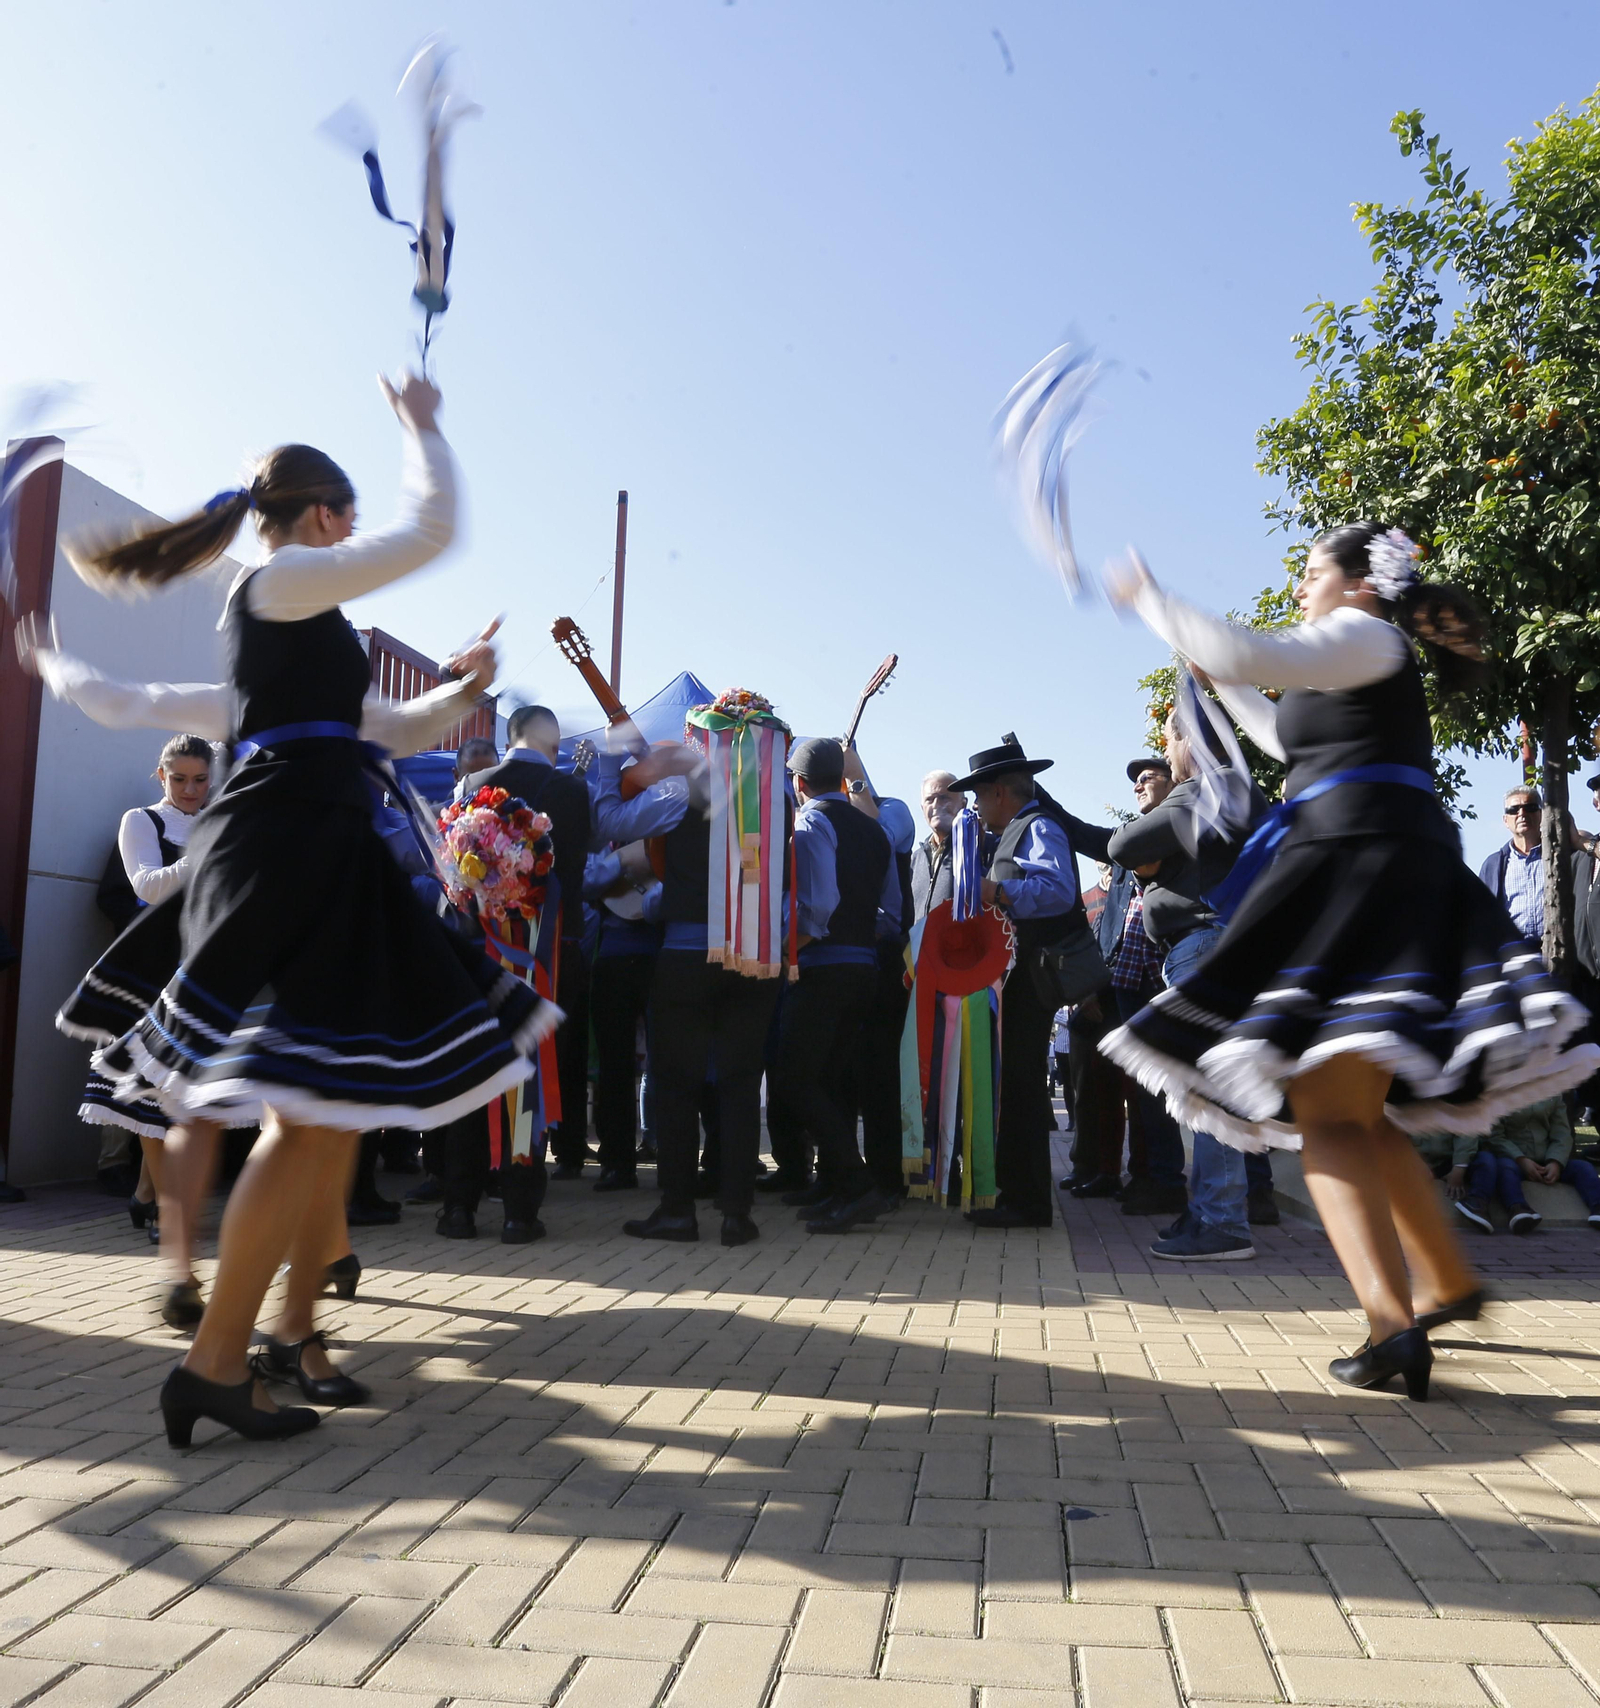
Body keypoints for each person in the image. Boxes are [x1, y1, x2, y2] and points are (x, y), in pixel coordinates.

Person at [51, 371, 555, 1445]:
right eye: (347, 522)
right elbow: (435, 528)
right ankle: (224, 1358)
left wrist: (465, 691)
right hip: (290, 850)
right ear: (323, 518)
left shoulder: (291, 623)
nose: (353, 539)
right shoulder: (284, 586)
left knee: (321, 1112)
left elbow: (391, 730)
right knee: (312, 1111)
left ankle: (256, 1346)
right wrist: (423, 425)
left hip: (305, 844)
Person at [1105, 522, 1598, 1401]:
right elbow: (1288, 737)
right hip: (1370, 862)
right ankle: (1444, 1283)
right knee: (1360, 1114)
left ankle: (1391, 1326)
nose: (1300, 585)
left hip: (1358, 872)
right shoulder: (1358, 653)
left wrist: (1152, 599)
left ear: (1359, 583)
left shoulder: (1366, 635)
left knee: (1328, 1116)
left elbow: (1246, 649)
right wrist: (1219, 685)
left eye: (1308, 571)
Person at [594, 690, 789, 1246]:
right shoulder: (777, 798)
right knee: (739, 1083)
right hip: (755, 954)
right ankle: (737, 1213)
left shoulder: (685, 788)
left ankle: (678, 1209)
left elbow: (613, 820)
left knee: (675, 1083)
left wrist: (612, 760)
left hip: (686, 951)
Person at [1107, 706, 1266, 1261]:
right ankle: (1208, 1213)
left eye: (1169, 739)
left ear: (1188, 742)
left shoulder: (1204, 787)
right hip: (1212, 945)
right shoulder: (1230, 789)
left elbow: (1121, 846)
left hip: (1203, 944)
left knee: (1207, 1089)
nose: (1165, 752)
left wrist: (1151, 858)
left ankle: (1223, 1223)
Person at [953, 736, 1084, 1229]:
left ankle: (1028, 1202)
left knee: (1025, 1086)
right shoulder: (1015, 831)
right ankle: (1018, 1194)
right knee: (1016, 1083)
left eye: (980, 796)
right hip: (1017, 976)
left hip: (1033, 975)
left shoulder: (1038, 827)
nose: (977, 806)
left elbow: (1057, 890)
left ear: (1000, 793)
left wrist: (996, 890)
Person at [771, 738, 901, 1234]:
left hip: (822, 965)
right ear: (842, 780)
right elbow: (891, 911)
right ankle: (838, 1186)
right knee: (830, 1079)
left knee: (795, 1079)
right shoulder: (874, 830)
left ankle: (855, 1182)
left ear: (799, 783)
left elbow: (818, 903)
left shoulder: (810, 822)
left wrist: (790, 950)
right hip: (864, 966)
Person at [467, 706, 593, 1179]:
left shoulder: (472, 787)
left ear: (509, 735)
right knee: (540, 1064)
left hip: (486, 946)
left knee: (481, 1060)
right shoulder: (576, 792)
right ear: (555, 744)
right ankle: (522, 1194)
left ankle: (466, 1192)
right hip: (553, 950)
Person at [1059, 761, 1189, 1217]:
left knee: (1163, 1088)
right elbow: (1112, 923)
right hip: (1125, 980)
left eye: (1150, 774)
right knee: (1118, 1084)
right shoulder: (1131, 840)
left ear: (1175, 780)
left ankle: (1166, 1179)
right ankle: (1127, 1173)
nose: (1138, 782)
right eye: (1134, 778)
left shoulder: (1185, 823)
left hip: (1170, 974)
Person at [840, 743, 917, 1201]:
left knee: (882, 1074)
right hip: (843, 954)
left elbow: (882, 838)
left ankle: (888, 1177)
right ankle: (844, 1172)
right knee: (844, 1071)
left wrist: (858, 785)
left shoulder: (894, 809)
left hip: (887, 958)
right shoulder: (830, 815)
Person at [583, 839, 661, 1192]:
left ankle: (661, 1162)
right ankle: (618, 1162)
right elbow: (584, 882)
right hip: (621, 956)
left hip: (657, 956)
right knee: (615, 1068)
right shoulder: (606, 832)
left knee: (667, 1064)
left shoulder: (669, 818)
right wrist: (621, 861)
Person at [1464, 1095, 1599, 1234]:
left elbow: (1562, 1134)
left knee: (1583, 1168)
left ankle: (1597, 1207)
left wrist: (1555, 1161)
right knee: (1505, 1169)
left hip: (1546, 1158)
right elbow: (1495, 1137)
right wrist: (1521, 1159)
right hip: (1513, 1158)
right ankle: (1518, 1209)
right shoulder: (1501, 1093)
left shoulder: (1553, 1093)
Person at [1480, 787, 1545, 947]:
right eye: (1514, 810)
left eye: (1530, 807)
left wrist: (1579, 841)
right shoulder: (1493, 865)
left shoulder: (1564, 855)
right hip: (1514, 954)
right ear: (1505, 820)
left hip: (1561, 952)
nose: (1521, 814)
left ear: (1541, 814)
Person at [910, 771, 965, 921]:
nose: (935, 805)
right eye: (929, 800)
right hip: (919, 944)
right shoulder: (916, 858)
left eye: (943, 798)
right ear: (922, 808)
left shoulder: (978, 848)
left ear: (963, 804)